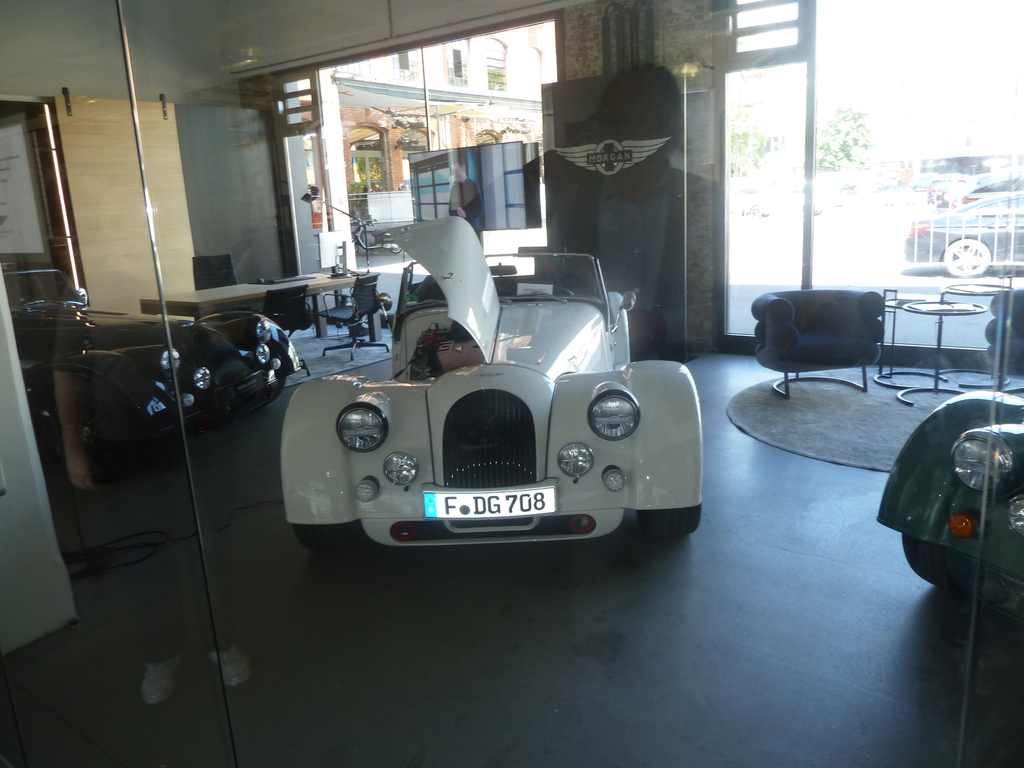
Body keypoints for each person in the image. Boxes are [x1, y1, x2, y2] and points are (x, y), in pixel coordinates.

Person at [545, 65, 699, 362]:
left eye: (639, 120)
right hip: (593, 359)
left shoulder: (701, 200)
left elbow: (716, 305)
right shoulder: (573, 207)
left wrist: (662, 325)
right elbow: (557, 291)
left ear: (669, 125)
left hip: (687, 365)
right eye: (613, 121)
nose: (625, 134)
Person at [449, 159, 482, 233]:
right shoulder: (454, 187)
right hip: (457, 228)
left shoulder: (473, 185)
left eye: (457, 170)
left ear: (463, 169)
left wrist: (465, 213)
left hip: (470, 229)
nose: (455, 174)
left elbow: (480, 211)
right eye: (454, 171)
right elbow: (450, 210)